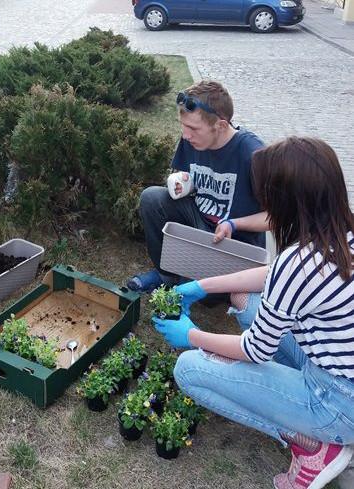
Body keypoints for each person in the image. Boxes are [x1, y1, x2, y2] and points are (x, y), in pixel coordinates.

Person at [154, 137, 354, 489]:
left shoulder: (299, 263)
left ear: (285, 200)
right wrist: (204, 284)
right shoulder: (339, 232)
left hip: (336, 403)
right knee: (244, 299)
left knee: (188, 370)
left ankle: (311, 444)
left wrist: (190, 336)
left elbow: (255, 350)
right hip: (337, 372)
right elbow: (272, 275)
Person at [127, 80, 268, 292]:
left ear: (220, 125)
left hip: (234, 241)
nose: (185, 135)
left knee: (207, 295)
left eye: (193, 128)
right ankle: (166, 274)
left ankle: (209, 283)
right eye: (183, 126)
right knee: (151, 198)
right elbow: (189, 179)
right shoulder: (192, 140)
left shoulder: (253, 154)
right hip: (199, 222)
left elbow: (276, 218)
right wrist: (185, 185)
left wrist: (234, 224)